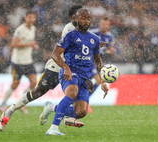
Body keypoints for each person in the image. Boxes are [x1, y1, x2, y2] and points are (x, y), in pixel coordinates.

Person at [0, 5, 92, 132]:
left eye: (85, 17)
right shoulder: (69, 29)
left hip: (74, 70)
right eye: (80, 16)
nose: (83, 19)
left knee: (87, 87)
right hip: (58, 66)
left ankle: (66, 114)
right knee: (37, 92)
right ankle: (9, 111)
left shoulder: (86, 33)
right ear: (73, 17)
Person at [44, 8, 109, 136]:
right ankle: (53, 128)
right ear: (76, 19)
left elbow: (97, 61)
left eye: (88, 19)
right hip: (70, 72)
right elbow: (55, 54)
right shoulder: (70, 35)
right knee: (72, 92)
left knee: (81, 112)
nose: (86, 21)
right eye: (83, 18)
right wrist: (66, 68)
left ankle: (51, 107)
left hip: (85, 77)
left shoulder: (94, 39)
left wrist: (102, 81)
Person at [0, 11, 39, 114]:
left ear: (35, 19)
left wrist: (34, 45)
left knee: (34, 83)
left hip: (28, 61)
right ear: (25, 18)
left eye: (33, 18)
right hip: (18, 62)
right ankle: (2, 104)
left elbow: (31, 42)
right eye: (29, 17)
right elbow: (13, 44)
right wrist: (29, 44)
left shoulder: (33, 29)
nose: (31, 19)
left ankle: (20, 103)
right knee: (15, 84)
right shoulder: (20, 29)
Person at [87, 17, 115, 113]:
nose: (105, 26)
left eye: (107, 24)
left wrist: (110, 51)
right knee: (99, 80)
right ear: (100, 24)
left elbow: (107, 48)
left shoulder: (109, 36)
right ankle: (84, 100)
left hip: (98, 62)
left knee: (93, 81)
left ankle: (83, 100)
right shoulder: (92, 33)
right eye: (103, 24)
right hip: (88, 60)